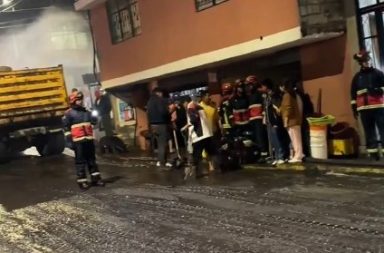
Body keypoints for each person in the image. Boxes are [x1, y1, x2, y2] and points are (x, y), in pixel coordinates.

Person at [63, 91, 105, 190]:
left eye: (81, 99)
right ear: (73, 101)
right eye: (78, 100)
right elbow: (66, 128)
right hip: (78, 142)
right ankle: (82, 181)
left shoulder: (86, 111)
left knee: (92, 160)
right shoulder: (69, 114)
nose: (80, 102)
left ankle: (96, 179)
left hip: (88, 140)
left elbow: (94, 122)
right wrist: (70, 142)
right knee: (80, 162)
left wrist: (94, 116)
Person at [351, 50, 384, 160]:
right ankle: (373, 154)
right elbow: (353, 94)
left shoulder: (378, 74)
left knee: (383, 130)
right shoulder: (357, 78)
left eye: (368, 60)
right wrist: (354, 108)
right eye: (364, 61)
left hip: (378, 107)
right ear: (360, 63)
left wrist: (377, 90)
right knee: (369, 132)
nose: (367, 62)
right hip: (364, 109)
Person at [186, 93, 216, 178]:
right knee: (210, 152)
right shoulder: (200, 106)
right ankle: (212, 167)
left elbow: (193, 119)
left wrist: (190, 124)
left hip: (198, 135)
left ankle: (197, 173)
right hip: (206, 133)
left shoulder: (191, 106)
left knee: (197, 155)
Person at [259, 79, 287, 165]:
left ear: (267, 86)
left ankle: (281, 156)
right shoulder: (266, 96)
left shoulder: (274, 96)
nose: (262, 88)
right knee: (273, 141)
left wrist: (276, 122)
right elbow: (266, 109)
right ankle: (276, 157)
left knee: (278, 139)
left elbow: (277, 109)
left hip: (275, 122)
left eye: (263, 86)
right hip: (269, 121)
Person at [146, 87, 173, 168]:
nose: (162, 95)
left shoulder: (149, 101)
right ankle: (162, 162)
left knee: (159, 143)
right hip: (161, 124)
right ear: (158, 93)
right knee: (163, 144)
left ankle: (160, 160)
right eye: (161, 93)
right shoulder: (159, 100)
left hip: (153, 125)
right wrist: (170, 111)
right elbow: (163, 112)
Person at [245, 75, 269, 162]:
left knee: (261, 137)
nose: (249, 86)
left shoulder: (260, 93)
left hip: (259, 118)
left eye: (250, 84)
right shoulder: (250, 95)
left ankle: (264, 154)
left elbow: (264, 106)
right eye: (248, 85)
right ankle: (259, 153)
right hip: (252, 119)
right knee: (256, 137)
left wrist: (263, 117)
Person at [280, 79, 303, 163]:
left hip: (291, 121)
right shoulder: (293, 95)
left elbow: (287, 109)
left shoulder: (287, 95)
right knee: (297, 139)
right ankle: (298, 155)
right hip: (295, 120)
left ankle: (298, 156)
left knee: (295, 139)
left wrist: (285, 120)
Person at [199, 90, 220, 171]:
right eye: (207, 96)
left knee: (215, 148)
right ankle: (210, 164)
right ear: (202, 97)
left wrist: (220, 128)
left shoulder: (213, 106)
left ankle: (215, 163)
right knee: (207, 149)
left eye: (209, 96)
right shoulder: (199, 107)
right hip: (205, 132)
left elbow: (217, 118)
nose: (209, 98)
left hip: (213, 130)